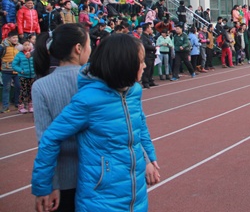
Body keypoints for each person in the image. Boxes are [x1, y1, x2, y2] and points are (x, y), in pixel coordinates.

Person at [31, 34, 160, 212]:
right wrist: (43, 186)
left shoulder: (134, 91)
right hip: (100, 198)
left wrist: (150, 158)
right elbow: (50, 138)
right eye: (140, 61)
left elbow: (141, 125)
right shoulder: (88, 100)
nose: (145, 66)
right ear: (124, 63)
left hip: (136, 195)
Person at [30, 24, 91, 210]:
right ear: (78, 48)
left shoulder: (40, 86)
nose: (90, 50)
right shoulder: (95, 80)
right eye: (89, 45)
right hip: (95, 174)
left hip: (63, 180)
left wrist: (51, 183)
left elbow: (45, 140)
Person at [12, 37, 35, 113]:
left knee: (31, 91)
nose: (27, 46)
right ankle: (21, 106)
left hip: (32, 75)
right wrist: (21, 71)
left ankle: (30, 105)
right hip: (23, 76)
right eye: (25, 45)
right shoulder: (19, 55)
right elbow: (14, 65)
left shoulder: (32, 54)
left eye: (28, 45)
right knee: (23, 91)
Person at [1, 30, 21, 113]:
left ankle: (16, 103)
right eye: (13, 38)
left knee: (18, 86)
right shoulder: (3, 46)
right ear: (9, 38)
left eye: (16, 37)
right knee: (6, 88)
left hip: (17, 70)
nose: (15, 39)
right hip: (6, 70)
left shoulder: (19, 46)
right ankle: (5, 106)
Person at [140, 23, 158, 88]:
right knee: (147, 69)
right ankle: (145, 82)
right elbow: (145, 45)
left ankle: (150, 81)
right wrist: (153, 47)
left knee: (151, 69)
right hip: (147, 55)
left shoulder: (149, 36)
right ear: (147, 29)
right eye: (150, 28)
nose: (151, 29)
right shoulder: (143, 37)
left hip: (151, 55)